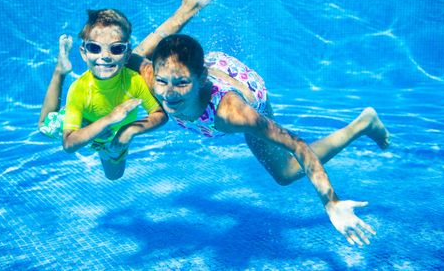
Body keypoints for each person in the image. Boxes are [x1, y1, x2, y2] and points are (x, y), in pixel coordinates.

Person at [130, 33, 390, 247]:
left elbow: (297, 145)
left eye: (182, 83)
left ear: (200, 78)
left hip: (246, 88)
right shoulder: (155, 78)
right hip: (210, 68)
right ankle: (192, 3)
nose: (169, 93)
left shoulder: (234, 114)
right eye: (163, 82)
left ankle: (363, 123)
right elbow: (128, 57)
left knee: (285, 173)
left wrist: (331, 202)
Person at [38, 0, 214, 180]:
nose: (104, 56)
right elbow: (69, 144)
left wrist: (128, 131)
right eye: (95, 48)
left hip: (113, 137)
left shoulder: (133, 80)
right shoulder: (79, 89)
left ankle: (192, 4)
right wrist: (109, 119)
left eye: (116, 49)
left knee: (114, 175)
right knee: (43, 126)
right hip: (85, 129)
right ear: (83, 53)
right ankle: (60, 70)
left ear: (126, 52)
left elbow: (159, 115)